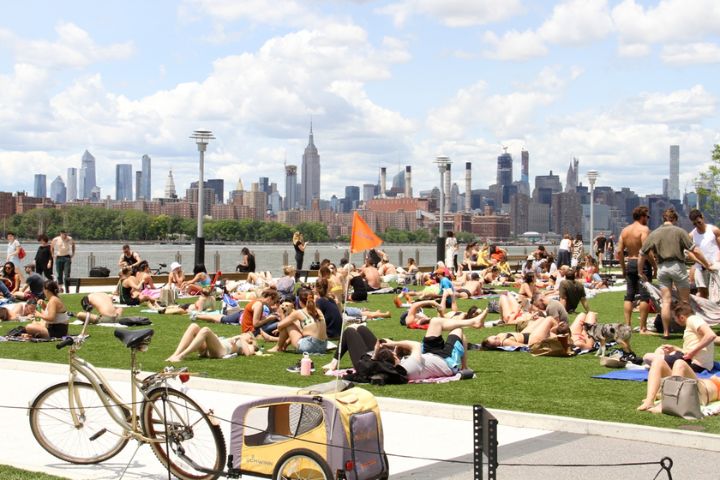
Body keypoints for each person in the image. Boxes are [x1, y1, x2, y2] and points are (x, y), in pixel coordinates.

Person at [639, 208, 714, 339]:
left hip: (662, 267)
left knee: (666, 301)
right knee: (684, 301)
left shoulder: (655, 233)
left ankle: (666, 332)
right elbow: (694, 250)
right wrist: (706, 264)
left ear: (663, 219)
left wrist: (640, 271)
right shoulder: (680, 232)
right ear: (674, 219)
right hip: (677, 266)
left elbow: (642, 253)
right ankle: (687, 331)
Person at [642, 303, 717, 372]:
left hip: (696, 364)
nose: (675, 321)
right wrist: (675, 348)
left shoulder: (693, 319)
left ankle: (654, 367)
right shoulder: (692, 322)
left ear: (681, 317)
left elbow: (711, 335)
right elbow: (689, 350)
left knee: (647, 357)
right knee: (661, 350)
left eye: (674, 318)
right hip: (690, 358)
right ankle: (655, 366)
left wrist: (692, 353)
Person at [617, 206, 654, 332]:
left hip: (630, 263)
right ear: (642, 216)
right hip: (642, 264)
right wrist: (654, 265)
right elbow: (646, 251)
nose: (648, 219)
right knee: (645, 296)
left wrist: (623, 267)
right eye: (647, 217)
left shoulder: (625, 231)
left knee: (629, 295)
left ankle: (627, 325)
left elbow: (619, 251)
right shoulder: (644, 230)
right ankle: (643, 328)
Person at [637, 358, 720, 413]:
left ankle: (665, 404)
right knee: (658, 362)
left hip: (701, 394)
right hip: (689, 387)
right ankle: (649, 400)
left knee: (680, 364)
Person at [267, 288, 327, 354]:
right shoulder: (318, 311)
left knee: (288, 324)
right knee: (290, 324)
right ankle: (284, 345)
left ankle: (278, 347)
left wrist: (281, 314)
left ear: (300, 301)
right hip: (323, 347)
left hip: (309, 346)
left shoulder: (299, 312)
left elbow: (279, 325)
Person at [166, 324, 257, 362]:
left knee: (205, 330)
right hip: (212, 347)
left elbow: (248, 354)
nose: (243, 333)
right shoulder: (237, 338)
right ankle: (175, 354)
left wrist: (241, 338)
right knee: (194, 326)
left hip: (221, 351)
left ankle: (181, 356)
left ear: (250, 340)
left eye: (246, 334)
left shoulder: (249, 344)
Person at [688, 209, 720, 299]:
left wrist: (717, 262)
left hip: (715, 266)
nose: (698, 225)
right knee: (702, 293)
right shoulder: (691, 235)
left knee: (716, 293)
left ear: (702, 218)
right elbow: (691, 254)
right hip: (700, 267)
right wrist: (702, 263)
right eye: (695, 224)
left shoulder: (714, 230)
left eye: (699, 222)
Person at [481, 316, 557, 349]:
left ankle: (552, 333)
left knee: (541, 319)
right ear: (497, 345)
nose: (496, 337)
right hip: (531, 340)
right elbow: (525, 347)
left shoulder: (499, 336)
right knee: (549, 319)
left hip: (524, 334)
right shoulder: (505, 342)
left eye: (493, 337)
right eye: (495, 340)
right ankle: (561, 333)